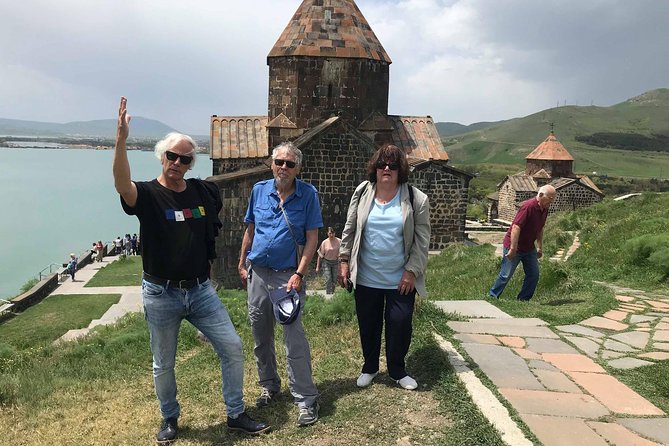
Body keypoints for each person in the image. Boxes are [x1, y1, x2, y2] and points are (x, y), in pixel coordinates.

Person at [112, 97, 269, 443]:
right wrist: (121, 140)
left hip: (200, 290)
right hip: (161, 292)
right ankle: (169, 418)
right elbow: (123, 185)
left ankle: (235, 412)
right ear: (162, 156)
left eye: (185, 158)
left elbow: (209, 235)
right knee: (163, 363)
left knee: (231, 347)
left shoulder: (202, 191)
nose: (178, 163)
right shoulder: (149, 195)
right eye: (172, 156)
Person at [238, 141, 322, 427]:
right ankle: (269, 386)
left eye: (289, 164)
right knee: (260, 334)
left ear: (298, 168)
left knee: (293, 338)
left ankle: (306, 399)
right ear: (271, 163)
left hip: (287, 275)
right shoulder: (259, 190)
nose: (283, 168)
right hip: (258, 272)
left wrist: (300, 273)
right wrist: (242, 262)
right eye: (279, 162)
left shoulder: (308, 195)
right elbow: (250, 228)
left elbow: (312, 238)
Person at [338, 144, 430, 391]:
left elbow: (422, 241)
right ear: (375, 168)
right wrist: (344, 260)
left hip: (400, 278)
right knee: (368, 324)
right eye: (382, 165)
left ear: (401, 170)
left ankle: (398, 370)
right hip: (367, 275)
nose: (386, 169)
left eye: (392, 165)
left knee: (400, 323)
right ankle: (369, 367)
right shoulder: (362, 192)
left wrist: (411, 271)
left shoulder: (415, 199)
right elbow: (350, 229)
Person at [488, 185, 557, 301]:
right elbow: (516, 227)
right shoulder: (528, 207)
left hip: (529, 248)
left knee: (533, 275)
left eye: (553, 199)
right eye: (550, 198)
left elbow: (540, 228)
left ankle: (523, 300)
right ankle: (492, 296)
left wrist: (539, 247)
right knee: (506, 274)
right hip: (515, 246)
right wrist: (513, 248)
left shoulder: (544, 209)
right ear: (540, 195)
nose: (551, 202)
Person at [315, 227, 341, 295]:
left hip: (335, 262)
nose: (331, 235)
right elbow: (320, 255)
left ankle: (332, 293)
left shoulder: (339, 241)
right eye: (330, 233)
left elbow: (343, 253)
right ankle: (328, 294)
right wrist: (317, 267)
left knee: (334, 279)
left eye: (332, 233)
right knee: (328, 278)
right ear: (327, 234)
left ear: (335, 233)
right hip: (326, 262)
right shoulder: (324, 242)